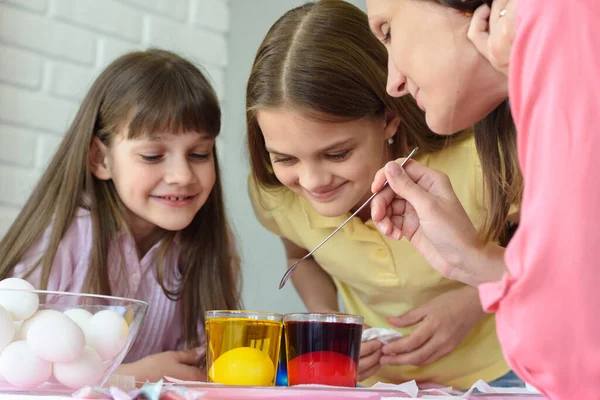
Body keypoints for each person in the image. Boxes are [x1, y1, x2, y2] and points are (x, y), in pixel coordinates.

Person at [246, 0, 520, 389]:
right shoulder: (277, 194)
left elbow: (554, 256)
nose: (312, 181)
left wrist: (475, 300)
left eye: (337, 153)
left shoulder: (480, 161)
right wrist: (326, 321)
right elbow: (299, 255)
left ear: (388, 118)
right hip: (381, 386)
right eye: (286, 158)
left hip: (505, 371)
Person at [367, 0, 600, 398]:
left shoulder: (562, 16)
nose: (394, 83)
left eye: (388, 31)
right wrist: (473, 261)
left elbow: (574, 356)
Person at [0, 49, 241, 382]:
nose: (183, 175)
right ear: (101, 159)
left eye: (199, 153)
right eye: (154, 155)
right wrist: (131, 376)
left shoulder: (211, 244)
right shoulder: (62, 239)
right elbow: (13, 372)